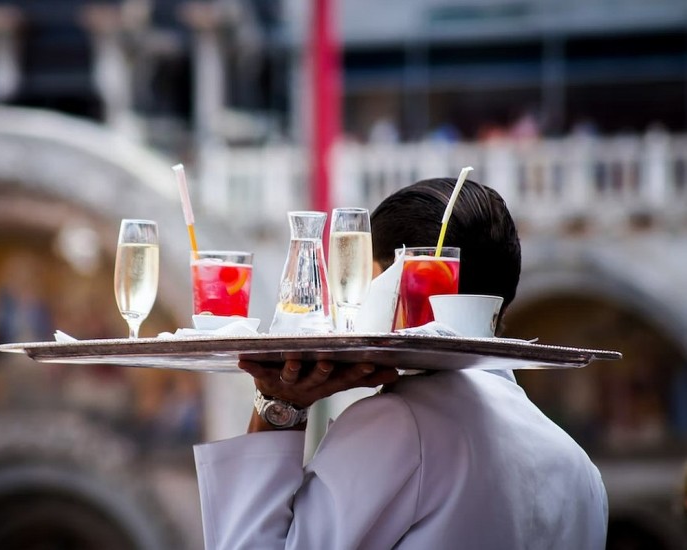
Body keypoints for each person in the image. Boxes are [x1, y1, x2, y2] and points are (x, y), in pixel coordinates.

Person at [193, 178, 608, 549]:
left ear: (400, 289)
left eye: (366, 283)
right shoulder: (579, 468)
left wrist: (277, 407)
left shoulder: (400, 425)